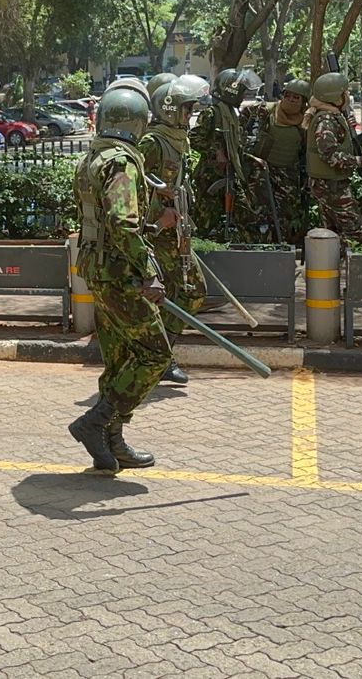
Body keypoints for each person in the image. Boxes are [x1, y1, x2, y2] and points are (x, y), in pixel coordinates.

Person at [70, 78, 171, 473]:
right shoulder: (123, 162)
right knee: (155, 355)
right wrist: (148, 272)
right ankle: (94, 424)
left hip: (97, 270)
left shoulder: (93, 157)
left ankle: (111, 439)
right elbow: (123, 223)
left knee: (120, 359)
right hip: (121, 275)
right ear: (138, 123)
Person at [138, 74, 209, 385]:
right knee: (175, 295)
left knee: (193, 292)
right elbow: (131, 193)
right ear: (170, 109)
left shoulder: (179, 139)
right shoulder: (152, 142)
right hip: (156, 236)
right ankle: (157, 357)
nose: (189, 117)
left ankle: (159, 355)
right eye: (186, 110)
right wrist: (156, 222)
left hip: (177, 233)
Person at [190, 69, 259, 240]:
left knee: (246, 217)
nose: (243, 97)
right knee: (204, 223)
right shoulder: (212, 113)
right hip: (210, 178)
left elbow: (235, 146)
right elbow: (194, 138)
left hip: (230, 174)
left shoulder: (232, 114)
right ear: (231, 92)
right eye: (241, 92)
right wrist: (216, 152)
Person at [306, 71, 362, 245]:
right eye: (345, 92)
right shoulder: (326, 120)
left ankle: (333, 267)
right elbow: (329, 155)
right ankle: (351, 267)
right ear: (336, 97)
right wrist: (360, 160)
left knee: (332, 232)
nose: (348, 96)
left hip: (330, 183)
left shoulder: (334, 115)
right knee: (355, 232)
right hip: (330, 185)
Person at [246, 77, 311, 245]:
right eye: (288, 96)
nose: (290, 100)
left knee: (287, 216)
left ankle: (282, 247)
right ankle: (262, 246)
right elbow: (242, 119)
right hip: (262, 170)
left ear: (303, 101)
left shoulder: (305, 122)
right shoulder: (266, 111)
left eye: (296, 98)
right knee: (260, 213)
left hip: (288, 174)